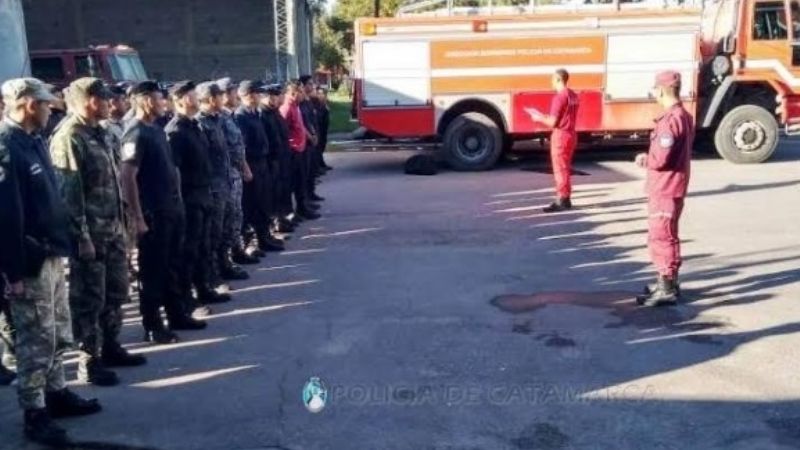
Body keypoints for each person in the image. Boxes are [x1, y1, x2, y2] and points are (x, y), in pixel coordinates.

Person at [0, 77, 101, 446]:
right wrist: (12, 272)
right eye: (44, 104)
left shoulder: (34, 141)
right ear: (26, 103)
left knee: (57, 330)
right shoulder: (6, 147)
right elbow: (6, 217)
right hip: (30, 262)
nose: (49, 109)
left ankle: (56, 393)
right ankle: (34, 411)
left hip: (52, 254)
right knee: (34, 340)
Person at [49, 78, 147, 388]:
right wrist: (81, 237)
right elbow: (69, 194)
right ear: (88, 101)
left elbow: (115, 182)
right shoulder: (69, 137)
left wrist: (127, 220)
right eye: (104, 99)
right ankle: (88, 361)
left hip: (113, 228)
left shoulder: (103, 132)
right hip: (90, 233)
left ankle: (111, 345)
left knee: (116, 291)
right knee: (89, 298)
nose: (110, 104)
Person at [119, 81, 196, 344]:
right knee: (153, 270)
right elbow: (128, 175)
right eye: (158, 98)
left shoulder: (157, 129)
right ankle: (152, 324)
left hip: (171, 208)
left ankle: (177, 314)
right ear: (144, 101)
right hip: (153, 213)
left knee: (173, 264)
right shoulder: (135, 132)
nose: (163, 102)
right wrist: (137, 217)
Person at [166, 80, 230, 312]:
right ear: (180, 100)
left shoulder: (194, 126)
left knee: (204, 245)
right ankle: (187, 298)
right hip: (189, 198)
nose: (196, 99)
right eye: (192, 95)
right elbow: (175, 173)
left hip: (204, 194)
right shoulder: (175, 132)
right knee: (188, 250)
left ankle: (204, 288)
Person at [635, 71, 693, 307]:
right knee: (668, 235)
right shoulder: (684, 116)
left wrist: (644, 159)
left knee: (661, 237)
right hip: (674, 186)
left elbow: (661, 159)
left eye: (655, 90)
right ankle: (668, 281)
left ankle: (667, 287)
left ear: (660, 90)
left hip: (665, 187)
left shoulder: (670, 120)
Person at [196, 81, 244, 292]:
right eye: (218, 96)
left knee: (227, 225)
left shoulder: (217, 120)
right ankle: (212, 275)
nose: (222, 99)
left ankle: (224, 264)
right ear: (210, 99)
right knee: (212, 233)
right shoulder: (200, 124)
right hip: (212, 187)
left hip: (225, 181)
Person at [235, 80, 287, 250]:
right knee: (254, 204)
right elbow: (242, 145)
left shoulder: (253, 113)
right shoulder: (241, 116)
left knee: (264, 201)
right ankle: (257, 241)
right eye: (256, 93)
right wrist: (246, 167)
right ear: (248, 95)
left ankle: (265, 236)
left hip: (263, 163)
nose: (259, 96)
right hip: (252, 163)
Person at [216, 78, 259, 268]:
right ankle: (225, 260)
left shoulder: (229, 116)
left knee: (236, 216)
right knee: (226, 221)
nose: (236, 96)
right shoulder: (218, 119)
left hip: (234, 174)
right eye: (232, 92)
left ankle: (236, 251)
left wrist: (244, 167)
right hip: (224, 177)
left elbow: (238, 147)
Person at [527, 68, 579, 213]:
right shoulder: (573, 95)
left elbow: (552, 122)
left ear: (558, 79)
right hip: (571, 133)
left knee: (559, 168)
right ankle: (566, 198)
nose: (551, 82)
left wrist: (538, 118)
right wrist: (546, 116)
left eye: (552, 79)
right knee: (566, 167)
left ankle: (562, 199)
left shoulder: (559, 97)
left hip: (561, 135)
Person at [280, 81, 320, 221]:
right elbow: (284, 132)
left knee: (301, 181)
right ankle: (292, 212)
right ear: (293, 93)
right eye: (300, 92)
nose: (303, 95)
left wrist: (310, 136)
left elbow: (301, 126)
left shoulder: (296, 106)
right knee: (293, 183)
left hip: (301, 148)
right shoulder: (286, 108)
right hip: (293, 151)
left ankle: (302, 208)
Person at [262, 84, 296, 231]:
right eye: (273, 96)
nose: (276, 98)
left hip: (282, 156)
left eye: (276, 95)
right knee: (274, 192)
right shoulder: (263, 114)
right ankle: (276, 222)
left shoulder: (274, 113)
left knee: (283, 188)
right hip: (272, 159)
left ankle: (282, 218)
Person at [298, 76, 325, 204]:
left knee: (312, 169)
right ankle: (306, 198)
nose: (312, 86)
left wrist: (315, 134)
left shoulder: (309, 101)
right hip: (307, 142)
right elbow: (302, 123)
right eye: (309, 84)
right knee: (305, 173)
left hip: (313, 139)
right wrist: (311, 136)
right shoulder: (301, 104)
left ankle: (311, 193)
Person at [314, 86, 333, 172]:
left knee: (322, 145)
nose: (321, 95)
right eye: (319, 94)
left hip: (324, 129)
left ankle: (321, 163)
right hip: (319, 128)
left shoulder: (324, 104)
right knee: (319, 147)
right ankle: (318, 165)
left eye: (323, 94)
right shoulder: (316, 105)